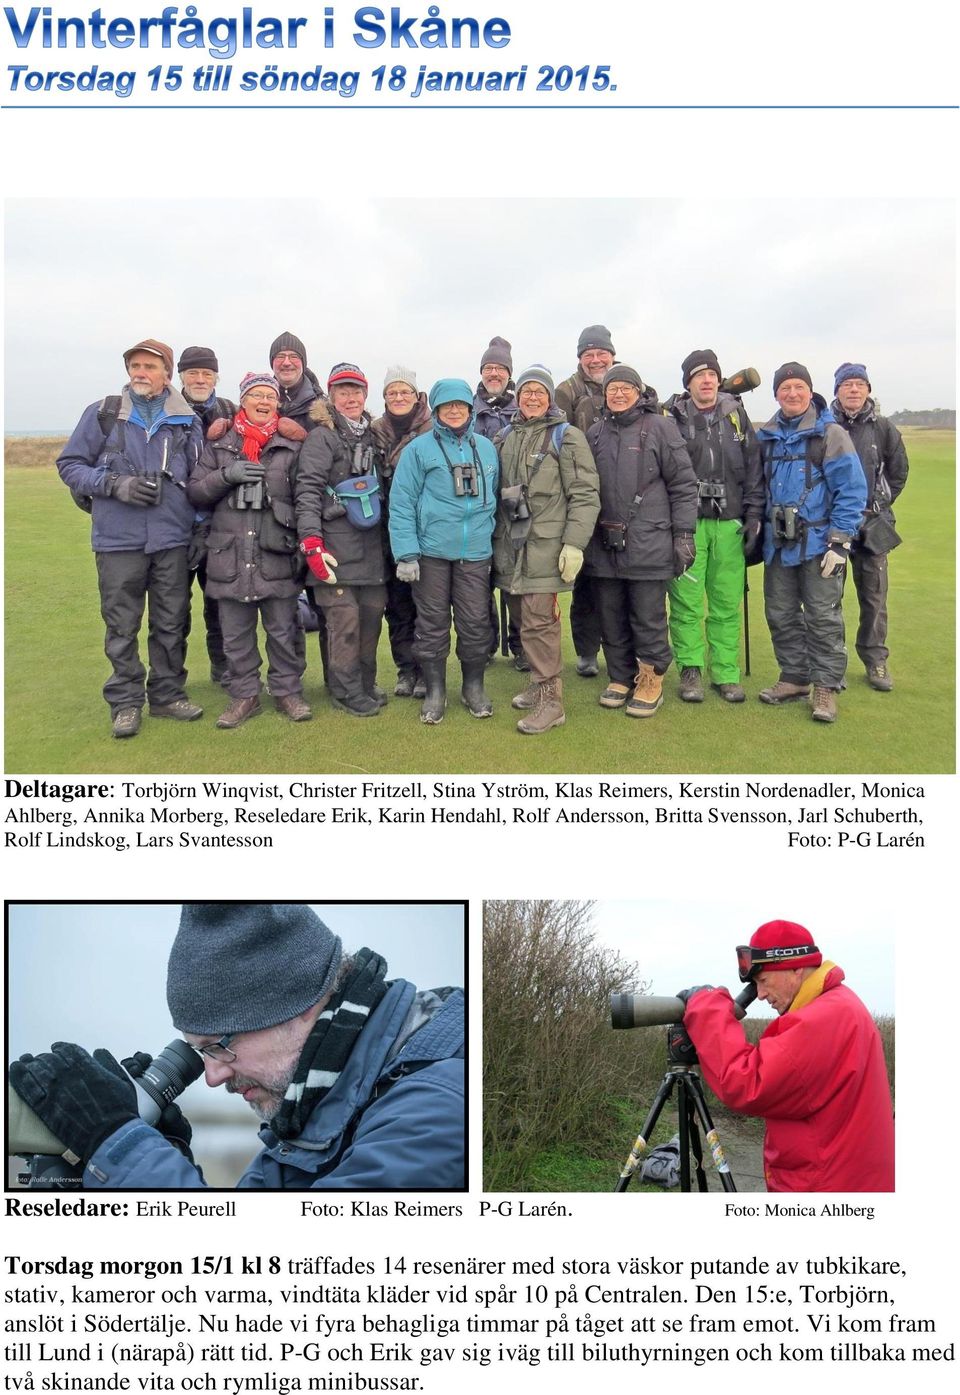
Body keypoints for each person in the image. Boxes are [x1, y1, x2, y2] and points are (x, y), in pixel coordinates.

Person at [9, 903, 465, 1190]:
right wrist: (165, 1157)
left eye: (218, 1047)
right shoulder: (312, 1115)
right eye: (197, 1052)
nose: (212, 1076)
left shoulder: (435, 1107)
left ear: (299, 1006)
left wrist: (122, 1151)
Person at [56, 338, 204, 738]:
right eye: (135, 366)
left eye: (150, 367)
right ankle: (125, 702)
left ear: (167, 375)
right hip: (117, 540)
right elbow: (69, 465)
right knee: (122, 625)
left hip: (172, 538)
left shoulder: (188, 421)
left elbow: (199, 481)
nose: (141, 373)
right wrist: (114, 484)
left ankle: (168, 695)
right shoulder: (103, 414)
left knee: (172, 622)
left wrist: (200, 529)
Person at [676, 920, 894, 1192]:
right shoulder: (839, 1006)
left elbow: (745, 1083)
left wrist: (706, 1008)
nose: (762, 994)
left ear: (796, 967)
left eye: (763, 981)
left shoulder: (824, 1019)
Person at [186, 372, 312, 728]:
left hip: (276, 550)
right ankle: (244, 696)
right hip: (229, 553)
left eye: (270, 397)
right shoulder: (220, 445)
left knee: (283, 630)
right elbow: (195, 492)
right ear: (242, 400)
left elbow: (307, 496)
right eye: (256, 395)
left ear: (278, 403)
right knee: (236, 634)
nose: (263, 401)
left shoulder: (291, 447)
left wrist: (276, 504)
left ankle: (288, 692)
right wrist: (227, 476)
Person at [583, 367, 698, 717]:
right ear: (604, 394)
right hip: (604, 542)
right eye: (612, 388)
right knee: (610, 615)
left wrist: (683, 535)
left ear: (639, 391)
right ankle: (620, 676)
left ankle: (651, 678)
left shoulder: (661, 428)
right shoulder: (595, 433)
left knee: (648, 617)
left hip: (650, 541)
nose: (618, 394)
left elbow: (683, 485)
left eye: (626, 387)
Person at [756, 363, 867, 724]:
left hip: (820, 544)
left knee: (822, 616)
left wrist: (840, 542)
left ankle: (826, 685)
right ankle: (794, 678)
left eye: (798, 386)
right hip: (778, 543)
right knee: (780, 614)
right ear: (776, 394)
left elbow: (851, 491)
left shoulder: (829, 434)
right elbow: (757, 488)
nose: (791, 393)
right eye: (785, 387)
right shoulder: (766, 437)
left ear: (810, 391)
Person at [492, 365, 600, 734]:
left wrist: (574, 544)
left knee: (540, 621)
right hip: (511, 544)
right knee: (523, 618)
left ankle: (552, 702)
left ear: (550, 397)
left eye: (539, 391)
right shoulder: (505, 436)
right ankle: (539, 684)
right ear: (517, 397)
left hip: (547, 545)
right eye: (526, 391)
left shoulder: (566, 437)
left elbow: (584, 494)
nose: (532, 397)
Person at [388, 379, 499, 724]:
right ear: (435, 409)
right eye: (446, 405)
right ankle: (436, 691)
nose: (454, 410)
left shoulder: (486, 447)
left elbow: (492, 496)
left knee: (475, 623)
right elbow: (402, 502)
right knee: (433, 625)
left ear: (470, 408)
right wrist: (406, 553)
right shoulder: (419, 449)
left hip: (476, 553)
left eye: (461, 404)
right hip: (431, 553)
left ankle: (473, 687)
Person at [663, 350, 764, 703]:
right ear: (687, 382)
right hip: (688, 524)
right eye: (698, 375)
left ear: (718, 380)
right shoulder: (672, 417)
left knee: (725, 602)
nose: (706, 381)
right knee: (687, 602)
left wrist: (754, 517)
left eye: (711, 375)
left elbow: (754, 469)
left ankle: (725, 672)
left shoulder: (736, 415)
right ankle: (690, 670)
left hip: (729, 523)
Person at [296, 363, 387, 717]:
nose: (351, 398)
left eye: (356, 391)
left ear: (365, 396)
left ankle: (363, 682)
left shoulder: (372, 435)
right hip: (334, 548)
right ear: (331, 397)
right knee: (343, 621)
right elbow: (306, 490)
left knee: (370, 617)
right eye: (343, 392)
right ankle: (346, 691)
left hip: (370, 549)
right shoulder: (322, 436)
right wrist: (312, 543)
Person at [831, 362, 909, 692]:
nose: (853, 389)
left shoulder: (884, 428)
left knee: (874, 598)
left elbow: (898, 471)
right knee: (828, 598)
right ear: (837, 390)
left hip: (872, 524)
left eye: (859, 384)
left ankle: (875, 660)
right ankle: (832, 663)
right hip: (833, 524)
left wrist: (879, 502)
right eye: (847, 384)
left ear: (868, 390)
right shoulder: (826, 424)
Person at [555, 324, 618, 678]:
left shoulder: (626, 383)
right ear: (580, 358)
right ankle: (586, 651)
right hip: (579, 497)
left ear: (612, 354)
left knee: (618, 582)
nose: (596, 360)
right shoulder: (566, 391)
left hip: (621, 498)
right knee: (586, 582)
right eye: (588, 354)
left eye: (601, 353)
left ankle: (620, 650)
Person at [371, 367, 433, 699]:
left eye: (404, 392)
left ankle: (426, 670)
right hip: (383, 531)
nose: (398, 398)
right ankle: (405, 670)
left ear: (416, 394)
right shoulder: (374, 430)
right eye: (392, 392)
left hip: (423, 531)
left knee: (426, 606)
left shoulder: (432, 429)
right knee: (396, 607)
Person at [177, 345, 237, 686]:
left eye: (207, 373)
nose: (200, 379)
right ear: (181, 376)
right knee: (174, 608)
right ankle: (172, 679)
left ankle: (223, 667)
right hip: (177, 525)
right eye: (193, 373)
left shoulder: (229, 410)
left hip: (219, 525)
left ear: (216, 376)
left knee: (219, 604)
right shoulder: (167, 409)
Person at [472, 336, 526, 673]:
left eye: (500, 368)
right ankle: (485, 644)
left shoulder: (523, 406)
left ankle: (521, 645)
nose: (494, 373)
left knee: (515, 580)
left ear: (509, 372)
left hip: (515, 505)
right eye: (489, 368)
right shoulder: (467, 406)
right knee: (478, 583)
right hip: (479, 505)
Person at [269, 331, 324, 430]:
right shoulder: (258, 405)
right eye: (280, 356)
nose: (286, 363)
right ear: (272, 363)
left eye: (293, 357)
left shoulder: (325, 409)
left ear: (303, 364)